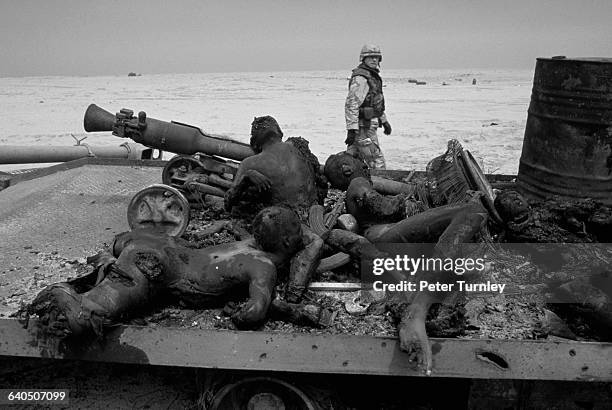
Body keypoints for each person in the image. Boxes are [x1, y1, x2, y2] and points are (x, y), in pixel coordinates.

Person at [27, 206, 324, 339]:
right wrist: (244, 311)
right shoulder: (264, 267)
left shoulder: (247, 240)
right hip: (162, 264)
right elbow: (256, 311)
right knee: (103, 304)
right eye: (299, 231)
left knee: (125, 261)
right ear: (287, 242)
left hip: (161, 243)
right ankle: (76, 306)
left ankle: (102, 267)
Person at [225, 116, 326, 219]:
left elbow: (228, 202)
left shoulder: (249, 163)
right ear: (280, 133)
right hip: (312, 211)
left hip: (284, 219)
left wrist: (246, 177)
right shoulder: (299, 145)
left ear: (255, 144)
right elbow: (318, 176)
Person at [345, 44, 392, 170]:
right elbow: (352, 104)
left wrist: (384, 120)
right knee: (376, 160)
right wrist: (352, 128)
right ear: (363, 59)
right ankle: (382, 187)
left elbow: (375, 102)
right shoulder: (361, 78)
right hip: (363, 127)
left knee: (352, 156)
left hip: (368, 124)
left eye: (376, 57)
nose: (374, 60)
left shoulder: (372, 77)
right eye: (370, 57)